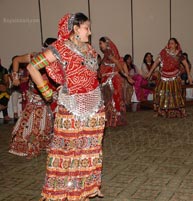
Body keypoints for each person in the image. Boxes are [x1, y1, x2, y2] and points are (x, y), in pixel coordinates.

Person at [27, 13, 105, 200]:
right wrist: (47, 93)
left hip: (94, 107)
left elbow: (90, 75)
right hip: (72, 109)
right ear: (76, 29)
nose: (90, 32)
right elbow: (32, 67)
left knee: (89, 151)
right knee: (69, 151)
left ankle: (84, 192)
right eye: (87, 28)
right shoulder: (59, 48)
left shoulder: (89, 49)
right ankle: (65, 192)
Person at [8, 38, 57, 158]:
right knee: (31, 121)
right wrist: (15, 77)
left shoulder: (57, 59)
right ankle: (26, 144)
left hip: (50, 96)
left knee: (48, 121)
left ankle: (44, 143)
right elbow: (16, 60)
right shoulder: (35, 56)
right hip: (35, 95)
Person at [146, 38, 193, 118]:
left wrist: (189, 75)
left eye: (172, 43)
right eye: (169, 43)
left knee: (175, 94)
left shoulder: (179, 54)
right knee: (163, 94)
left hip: (174, 77)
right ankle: (162, 111)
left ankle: (175, 111)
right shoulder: (164, 52)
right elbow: (156, 63)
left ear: (176, 45)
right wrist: (149, 73)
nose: (170, 45)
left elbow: (186, 64)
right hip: (164, 77)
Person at [99, 36, 134, 127]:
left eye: (101, 43)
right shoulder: (107, 53)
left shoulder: (109, 53)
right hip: (109, 80)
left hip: (112, 80)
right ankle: (113, 119)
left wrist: (126, 76)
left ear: (106, 43)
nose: (100, 46)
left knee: (112, 100)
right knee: (110, 100)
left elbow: (118, 63)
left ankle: (113, 120)